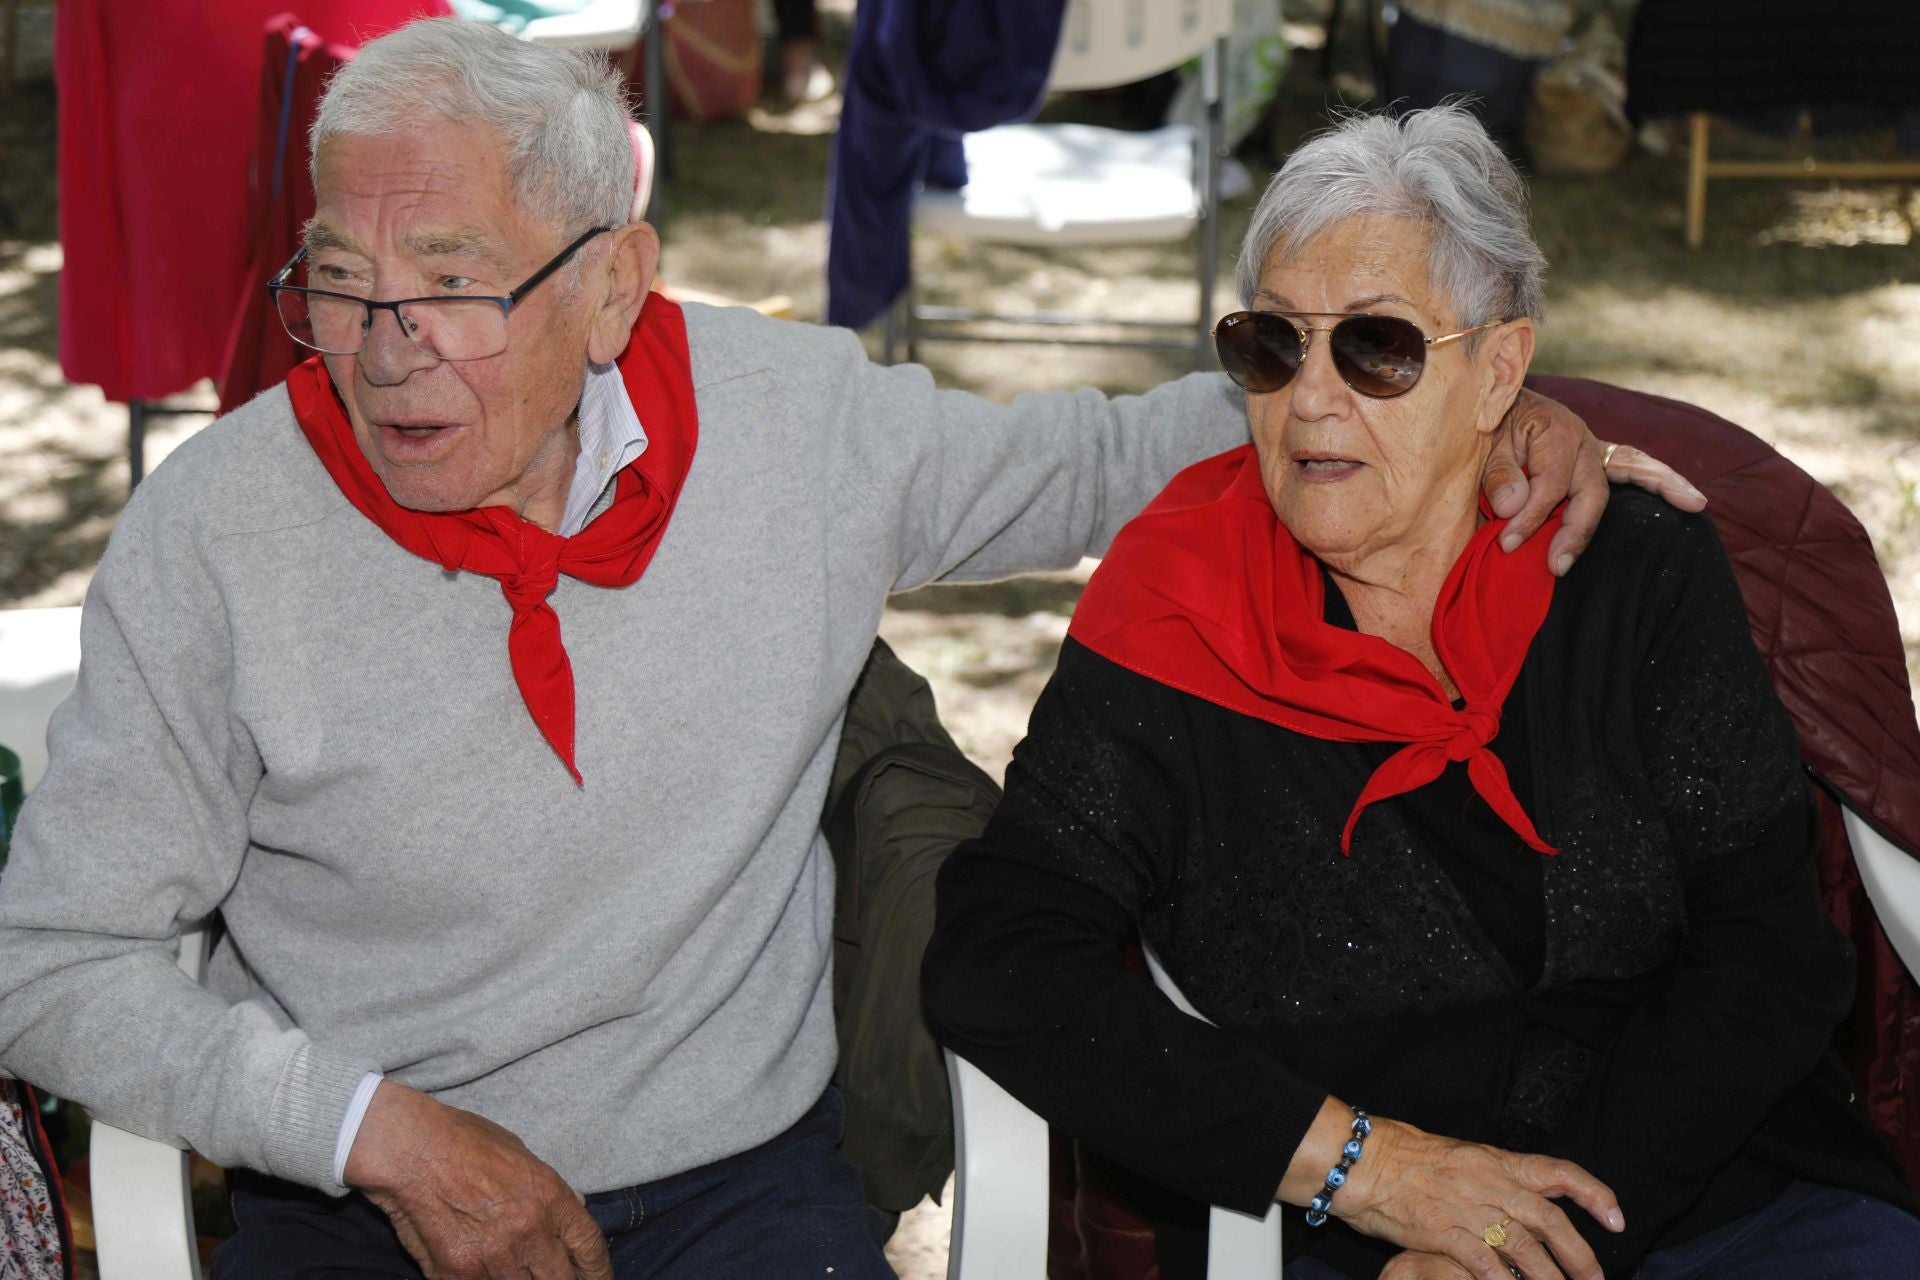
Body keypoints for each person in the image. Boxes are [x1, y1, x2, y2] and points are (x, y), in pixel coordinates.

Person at [0, 22, 1685, 1280]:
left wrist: (1483, 412)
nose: (386, 349)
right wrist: (376, 1136)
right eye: (343, 282)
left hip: (737, 1185)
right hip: (363, 1198)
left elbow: (1111, 455)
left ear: (613, 290)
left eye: (452, 282)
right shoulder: (219, 533)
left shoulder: (794, 432)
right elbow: (51, 962)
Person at [921, 103, 1920, 1280]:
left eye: (1378, 347)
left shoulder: (1632, 572)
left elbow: (1769, 957)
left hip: (1712, 1196)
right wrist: (1369, 1168)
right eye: (1272, 344)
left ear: (1500, 370)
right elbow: (1002, 956)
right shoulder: (1176, 617)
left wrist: (1514, 1244)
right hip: (1357, 1237)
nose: (1313, 398)